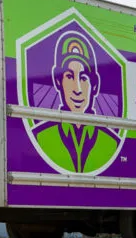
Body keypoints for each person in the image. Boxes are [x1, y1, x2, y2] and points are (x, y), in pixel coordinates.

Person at [32, 31, 119, 173]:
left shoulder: (110, 142)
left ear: (95, 85)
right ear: (58, 81)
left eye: (84, 78)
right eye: (70, 77)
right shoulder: (42, 136)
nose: (77, 89)